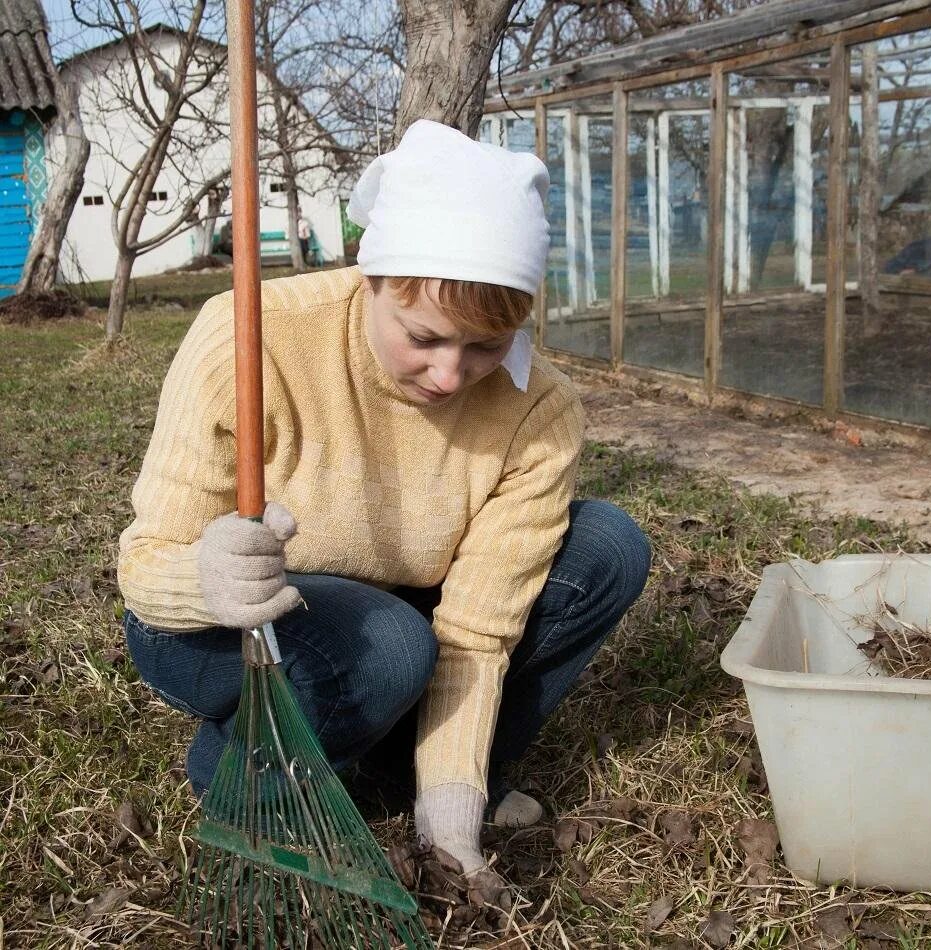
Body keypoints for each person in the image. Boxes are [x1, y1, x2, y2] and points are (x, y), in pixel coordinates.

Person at [117, 119, 651, 881]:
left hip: (400, 611)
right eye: (424, 337)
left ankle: (411, 776)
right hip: (225, 622)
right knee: (393, 647)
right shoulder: (252, 337)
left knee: (606, 546)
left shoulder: (538, 412)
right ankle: (245, 780)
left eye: (485, 347)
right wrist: (204, 578)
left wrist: (452, 815)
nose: (448, 375)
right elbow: (143, 567)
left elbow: (475, 633)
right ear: (371, 275)